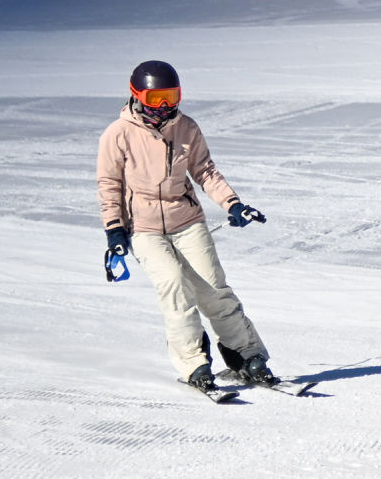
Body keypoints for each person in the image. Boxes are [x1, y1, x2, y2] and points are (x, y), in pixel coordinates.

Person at [97, 60, 274, 393]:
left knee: (214, 290)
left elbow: (205, 171)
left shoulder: (186, 128)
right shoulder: (117, 134)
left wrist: (233, 204)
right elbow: (109, 185)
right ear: (136, 96)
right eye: (156, 98)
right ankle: (194, 363)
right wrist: (114, 230)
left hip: (187, 221)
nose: (164, 106)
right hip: (144, 229)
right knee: (175, 287)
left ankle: (247, 355)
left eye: (171, 96)